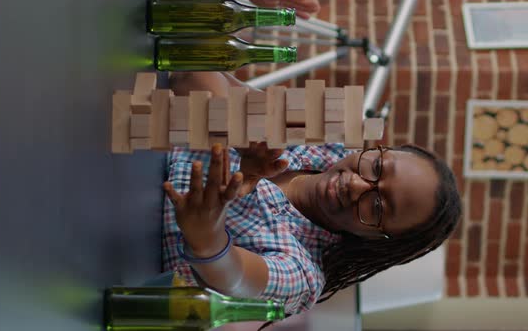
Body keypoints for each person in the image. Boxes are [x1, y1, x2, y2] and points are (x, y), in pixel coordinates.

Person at [161, 72, 462, 315]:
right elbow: (194, 77)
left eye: (379, 207)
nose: (357, 186)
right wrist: (236, 133)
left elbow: (234, 276)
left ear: (377, 240)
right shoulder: (320, 140)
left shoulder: (303, 274)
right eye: (378, 167)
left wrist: (207, 235)